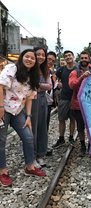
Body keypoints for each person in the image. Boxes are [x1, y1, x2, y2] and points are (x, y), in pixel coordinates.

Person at [0, 49, 46, 187]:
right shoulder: (11, 68)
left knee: (28, 137)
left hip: (18, 111)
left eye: (33, 58)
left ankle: (29, 166)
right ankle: (2, 171)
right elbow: (0, 86)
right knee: (1, 140)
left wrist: (29, 116)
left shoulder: (33, 76)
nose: (30, 59)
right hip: (4, 108)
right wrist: (1, 107)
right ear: (22, 57)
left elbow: (30, 98)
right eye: (27, 56)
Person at [69, 51, 91, 156]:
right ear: (80, 59)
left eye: (86, 58)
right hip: (78, 105)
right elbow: (72, 85)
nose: (84, 59)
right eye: (82, 58)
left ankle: (90, 145)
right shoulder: (75, 72)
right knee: (80, 127)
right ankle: (82, 146)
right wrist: (82, 77)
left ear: (89, 58)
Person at [32, 47, 52, 167]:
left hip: (42, 100)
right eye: (38, 54)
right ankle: (32, 155)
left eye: (42, 55)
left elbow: (49, 86)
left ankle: (41, 154)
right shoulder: (29, 69)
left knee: (42, 127)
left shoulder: (45, 70)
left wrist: (38, 86)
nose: (40, 56)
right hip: (31, 101)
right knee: (32, 129)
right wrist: (39, 87)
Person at [52, 50, 76, 148]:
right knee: (61, 119)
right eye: (66, 56)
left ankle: (71, 137)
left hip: (74, 98)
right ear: (64, 58)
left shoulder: (77, 68)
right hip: (64, 97)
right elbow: (54, 77)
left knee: (73, 119)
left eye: (69, 55)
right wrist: (57, 84)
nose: (68, 57)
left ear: (73, 56)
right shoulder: (61, 69)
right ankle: (61, 138)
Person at [46, 51, 57, 131]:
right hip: (39, 102)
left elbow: (53, 86)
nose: (50, 62)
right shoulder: (37, 70)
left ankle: (42, 142)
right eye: (49, 59)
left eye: (53, 61)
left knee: (46, 123)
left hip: (48, 102)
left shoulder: (51, 72)